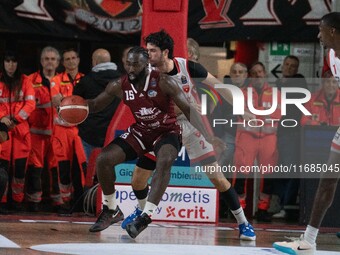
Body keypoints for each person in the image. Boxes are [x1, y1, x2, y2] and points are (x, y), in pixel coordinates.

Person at [122, 30, 256, 241]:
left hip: (191, 124)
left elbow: (220, 88)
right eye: (146, 51)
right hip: (162, 126)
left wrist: (243, 110)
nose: (147, 55)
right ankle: (141, 211)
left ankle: (244, 223)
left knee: (217, 178)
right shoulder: (144, 72)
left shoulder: (189, 67)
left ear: (165, 52)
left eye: (152, 51)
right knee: (137, 179)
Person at [87, 46, 224, 238]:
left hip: (167, 131)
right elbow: (94, 105)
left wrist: (209, 137)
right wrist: (70, 105)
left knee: (165, 160)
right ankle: (111, 209)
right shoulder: (119, 85)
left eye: (136, 65)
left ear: (146, 65)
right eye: (128, 64)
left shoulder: (164, 82)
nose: (131, 69)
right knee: (103, 159)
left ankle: (146, 216)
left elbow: (188, 110)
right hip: (142, 131)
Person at [273, 12, 340, 255]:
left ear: (333, 31)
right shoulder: (332, 56)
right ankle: (309, 241)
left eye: (321, 30)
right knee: (328, 178)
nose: (318, 34)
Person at [233, 62, 281, 222]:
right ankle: (239, 209)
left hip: (268, 137)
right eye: (254, 73)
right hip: (247, 136)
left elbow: (278, 115)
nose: (258, 75)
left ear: (265, 73)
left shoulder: (276, 93)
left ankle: (263, 208)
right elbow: (240, 113)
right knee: (240, 171)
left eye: (260, 72)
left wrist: (257, 118)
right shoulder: (242, 93)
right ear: (250, 76)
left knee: (268, 174)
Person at [26, 46, 63, 212]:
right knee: (36, 168)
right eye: (46, 59)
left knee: (56, 168)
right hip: (36, 133)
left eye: (53, 59)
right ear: (41, 61)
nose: (49, 62)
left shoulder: (64, 81)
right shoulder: (30, 80)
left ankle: (58, 202)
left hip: (58, 133)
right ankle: (34, 201)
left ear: (57, 62)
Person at [51, 48, 87, 212]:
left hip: (78, 130)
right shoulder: (57, 80)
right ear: (63, 62)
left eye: (74, 58)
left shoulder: (84, 79)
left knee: (81, 166)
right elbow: (54, 100)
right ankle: (65, 201)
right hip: (60, 129)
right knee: (63, 166)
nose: (71, 61)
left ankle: (81, 200)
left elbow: (63, 101)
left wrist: (65, 100)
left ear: (78, 60)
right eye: (67, 59)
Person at [273, 55, 308, 220]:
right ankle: (283, 203)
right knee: (279, 168)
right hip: (275, 132)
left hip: (292, 133)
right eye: (287, 65)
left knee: (290, 168)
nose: (289, 68)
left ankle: (286, 205)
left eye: (293, 66)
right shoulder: (277, 83)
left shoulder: (300, 81)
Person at [0, 51, 36, 211]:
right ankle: (1, 201)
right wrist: (2, 118)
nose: (10, 65)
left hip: (20, 128)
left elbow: (30, 104)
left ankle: (16, 201)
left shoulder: (25, 81)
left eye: (13, 61)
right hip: (2, 129)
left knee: (20, 169)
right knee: (2, 167)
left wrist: (15, 119)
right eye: (7, 61)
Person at [73, 49, 121, 161]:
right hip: (115, 135)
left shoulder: (85, 81)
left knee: (89, 172)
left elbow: (75, 105)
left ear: (94, 62)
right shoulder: (123, 81)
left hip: (89, 135)